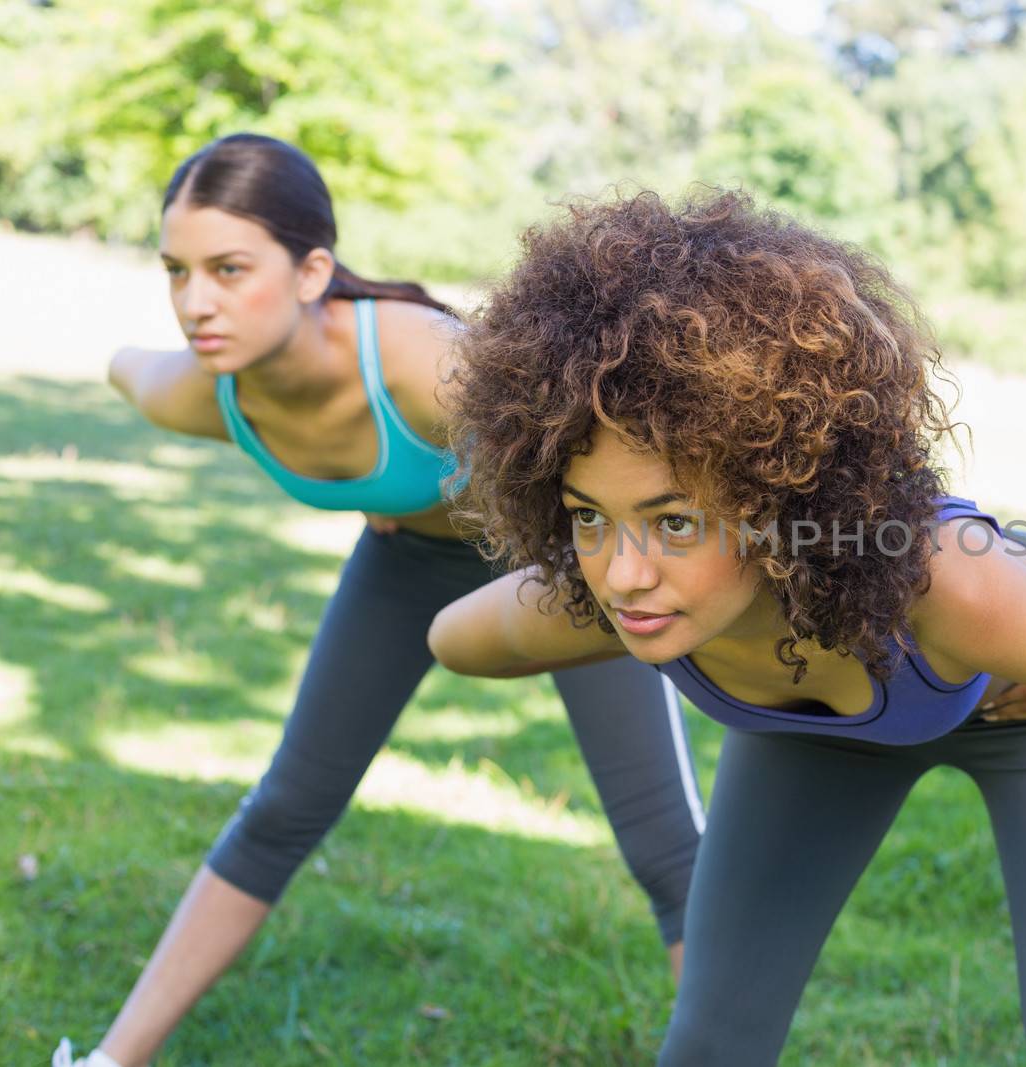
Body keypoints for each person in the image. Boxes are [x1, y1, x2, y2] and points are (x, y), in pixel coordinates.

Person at [426, 188, 1026, 1065]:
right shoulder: (615, 594)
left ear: (781, 495)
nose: (625, 571)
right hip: (816, 724)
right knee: (711, 1040)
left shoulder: (958, 589)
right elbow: (456, 639)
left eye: (674, 521)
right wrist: (570, 588)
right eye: (588, 517)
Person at [53, 135, 704, 1067]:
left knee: (666, 846)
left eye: (230, 269)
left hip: (563, 564)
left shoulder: (418, 364)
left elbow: (598, 447)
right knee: (285, 804)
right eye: (176, 272)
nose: (197, 302)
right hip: (410, 568)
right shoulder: (203, 393)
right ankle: (112, 1060)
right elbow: (131, 367)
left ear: (313, 269)